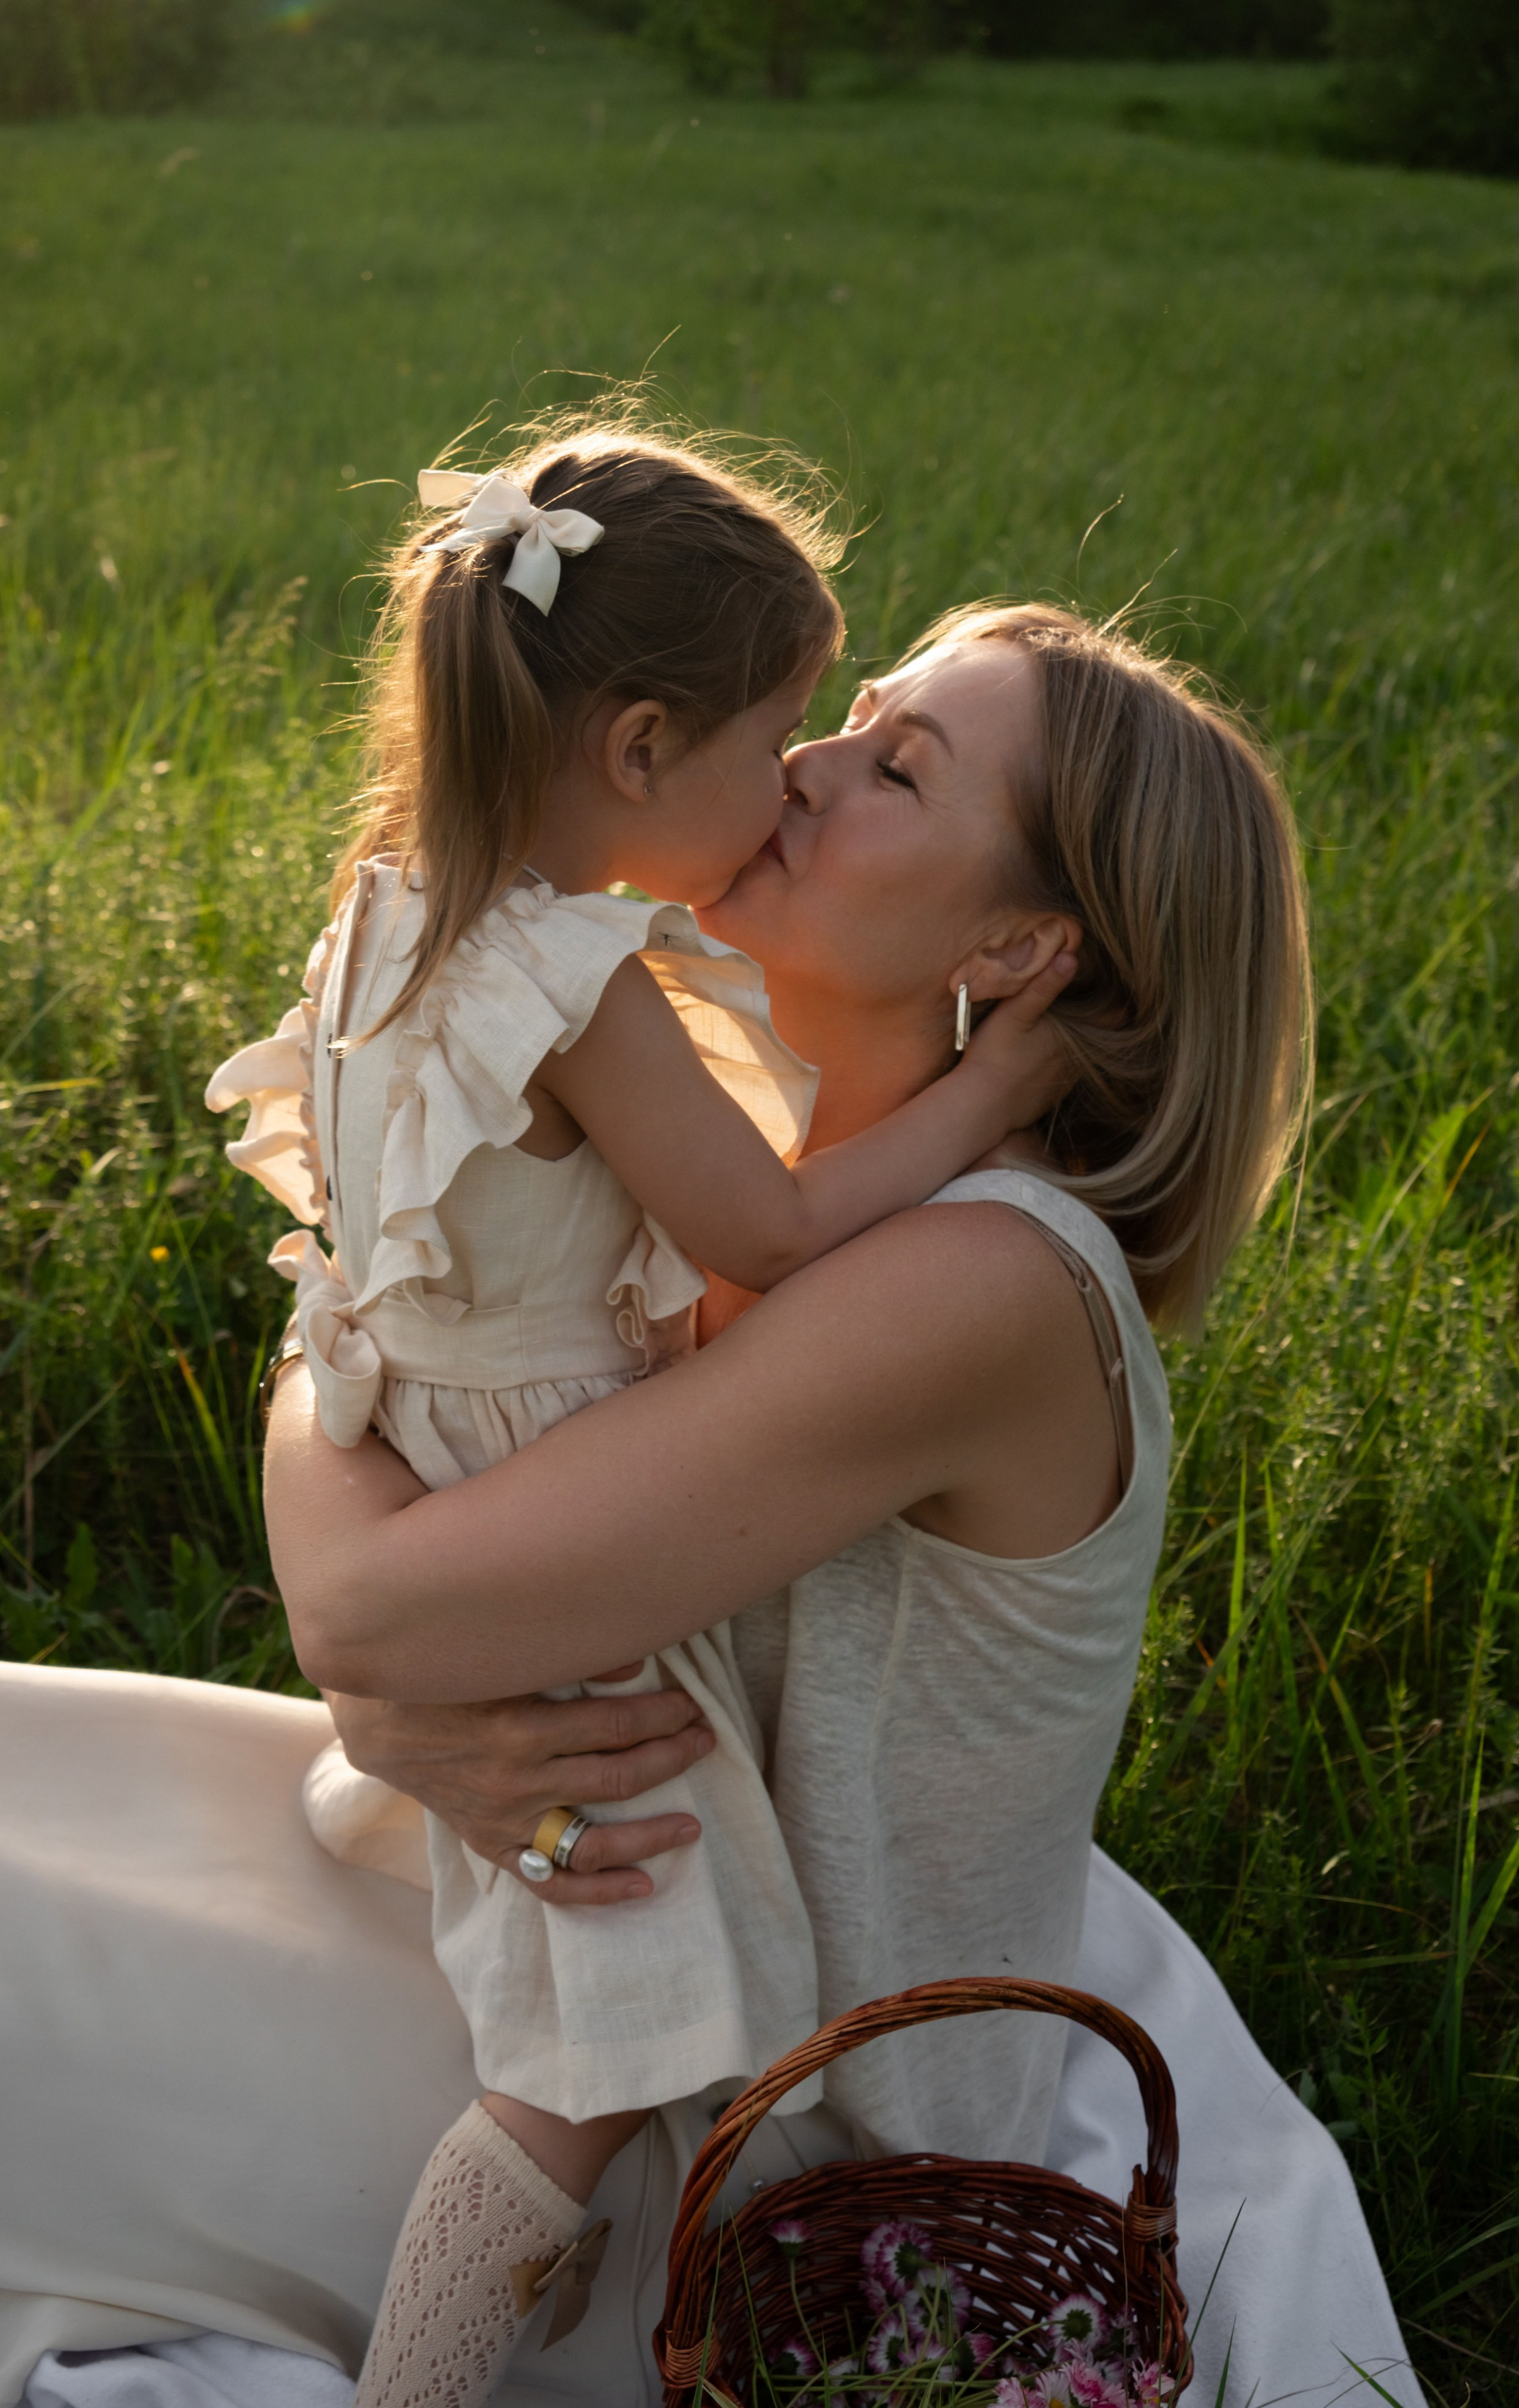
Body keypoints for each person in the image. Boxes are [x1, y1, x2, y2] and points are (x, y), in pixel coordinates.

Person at [0, 602, 1422, 2408]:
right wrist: (396, 1685)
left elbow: (372, 1596)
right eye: (849, 716)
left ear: (1018, 947)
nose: (805, 764)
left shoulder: (986, 1282)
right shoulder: (718, 1138)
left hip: (720, 2120)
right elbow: (361, 1333)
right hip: (565, 1891)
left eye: (898, 769)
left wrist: (392, 1664)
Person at [206, 425, 1075, 2408]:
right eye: (780, 738)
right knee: (593, 2041)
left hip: (431, 1446)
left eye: (875, 758)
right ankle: (426, 2378)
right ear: (640, 745)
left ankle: (571, 2287)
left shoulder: (388, 906)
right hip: (551, 1498)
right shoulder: (580, 976)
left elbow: (358, 1263)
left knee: (598, 1986)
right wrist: (991, 1096)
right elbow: (768, 1223)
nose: (797, 779)